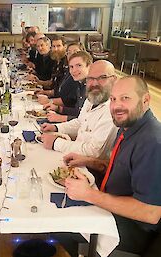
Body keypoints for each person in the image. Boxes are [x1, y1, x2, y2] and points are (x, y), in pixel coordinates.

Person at [55, 75, 161, 257]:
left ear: (145, 100)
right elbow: (121, 167)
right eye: (113, 99)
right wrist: (88, 161)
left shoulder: (152, 142)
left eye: (125, 98)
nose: (116, 106)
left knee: (58, 222)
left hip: (131, 230)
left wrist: (89, 195)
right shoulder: (128, 125)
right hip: (109, 200)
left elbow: (150, 213)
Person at [41, 60, 118, 158]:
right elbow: (79, 122)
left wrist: (56, 143)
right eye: (90, 78)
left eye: (102, 78)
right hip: (74, 155)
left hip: (89, 169)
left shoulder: (113, 109)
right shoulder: (92, 98)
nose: (94, 83)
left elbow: (95, 151)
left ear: (114, 79)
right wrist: (56, 127)